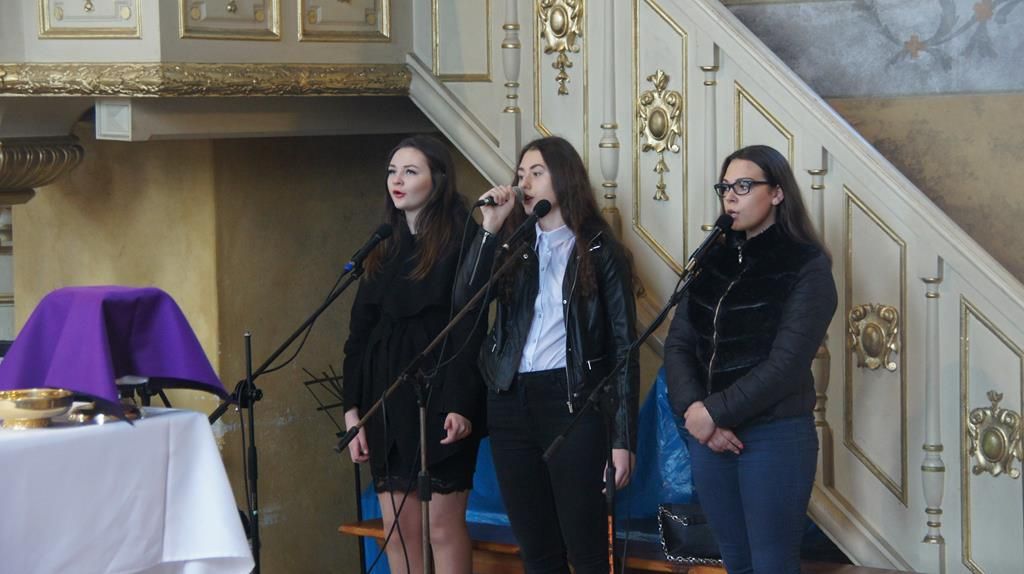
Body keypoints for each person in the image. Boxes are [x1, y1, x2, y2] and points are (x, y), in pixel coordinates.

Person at [456, 135, 640, 574]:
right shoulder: (513, 246)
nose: (525, 184)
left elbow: (624, 348)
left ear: (564, 177)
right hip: (510, 399)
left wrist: (623, 440)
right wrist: (490, 227)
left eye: (536, 173)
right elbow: (465, 301)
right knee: (536, 549)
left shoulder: (601, 250)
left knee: (586, 549)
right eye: (520, 175)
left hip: (572, 400)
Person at [664, 144, 837, 573]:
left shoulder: (807, 265)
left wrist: (714, 413)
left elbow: (787, 365)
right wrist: (695, 412)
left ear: (777, 193)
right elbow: (679, 344)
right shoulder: (712, 259)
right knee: (736, 562)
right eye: (725, 187)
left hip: (773, 435)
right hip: (710, 438)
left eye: (744, 186)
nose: (731, 196)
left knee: (772, 564)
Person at [342, 135, 484, 574]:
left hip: (438, 396)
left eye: (410, 171)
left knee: (441, 528)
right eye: (392, 171)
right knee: (397, 530)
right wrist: (352, 411)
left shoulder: (463, 237)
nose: (397, 180)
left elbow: (471, 326)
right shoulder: (383, 244)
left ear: (437, 179)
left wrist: (461, 403)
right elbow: (358, 337)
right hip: (384, 400)